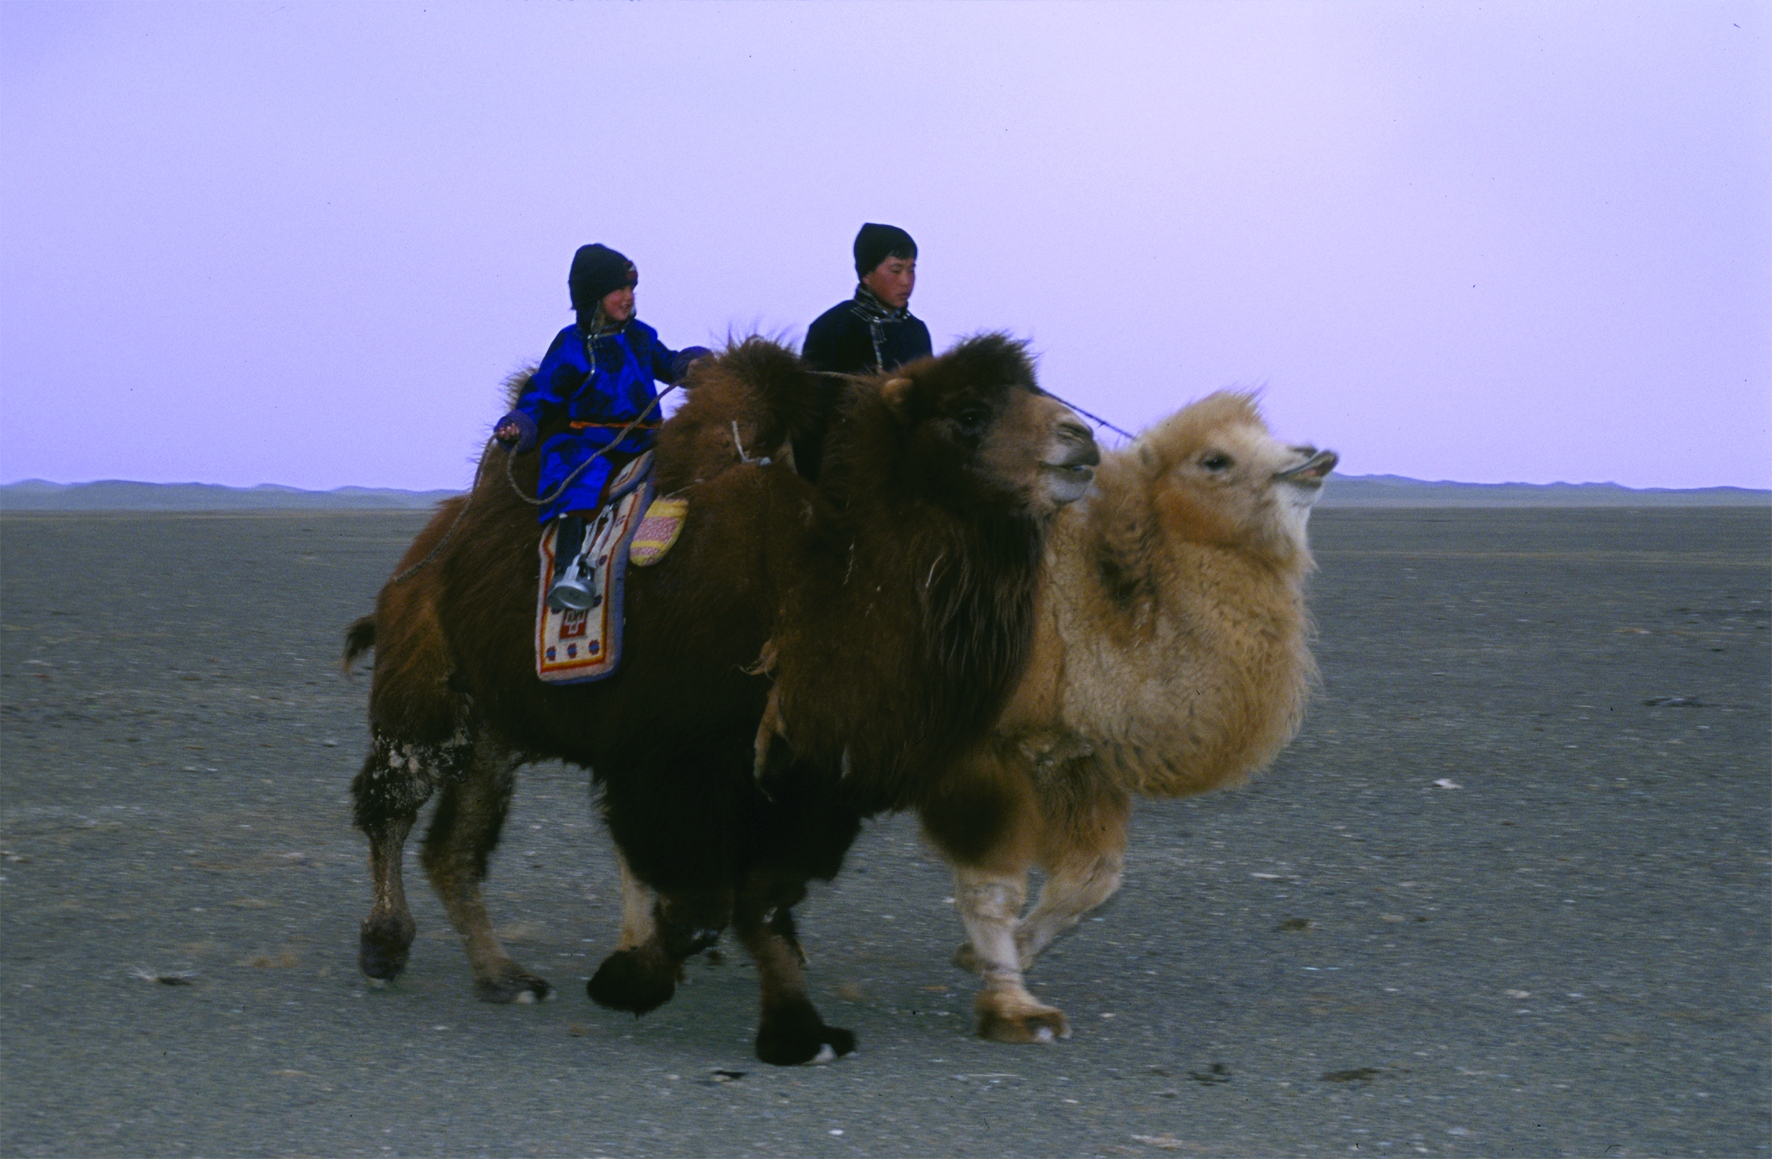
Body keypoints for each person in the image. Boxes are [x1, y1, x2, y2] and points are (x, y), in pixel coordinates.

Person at [495, 244, 709, 611]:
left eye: (631, 290)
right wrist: (519, 423)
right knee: (575, 476)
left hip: (645, 438)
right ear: (593, 297)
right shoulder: (570, 346)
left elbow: (667, 362)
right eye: (618, 290)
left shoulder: (641, 336)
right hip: (591, 439)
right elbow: (540, 393)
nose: (628, 298)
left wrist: (689, 367)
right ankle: (570, 570)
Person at [797, 223, 934, 479]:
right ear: (867, 275)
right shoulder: (832, 327)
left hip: (906, 469)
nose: (906, 281)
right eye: (896, 270)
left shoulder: (917, 332)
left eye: (911, 270)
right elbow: (812, 418)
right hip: (844, 467)